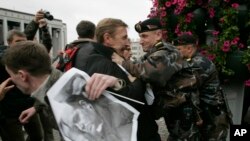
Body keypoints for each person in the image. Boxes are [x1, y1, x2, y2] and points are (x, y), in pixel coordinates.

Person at [2, 41, 129, 140]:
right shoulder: (53, 87)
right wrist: (36, 107)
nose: (11, 80)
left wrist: (117, 84)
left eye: (11, 76)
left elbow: (125, 111)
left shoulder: (75, 89)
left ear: (22, 75)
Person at [73, 18, 161, 141]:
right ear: (108, 38)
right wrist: (135, 80)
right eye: (124, 38)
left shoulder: (109, 57)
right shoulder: (103, 62)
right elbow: (133, 100)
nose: (127, 43)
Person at [173, 33, 231, 141]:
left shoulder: (199, 63)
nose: (176, 54)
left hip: (214, 117)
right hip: (207, 114)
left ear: (189, 48)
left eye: (179, 49)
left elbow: (182, 85)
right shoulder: (193, 61)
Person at [0, 30, 43, 141]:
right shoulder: (2, 59)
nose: (21, 45)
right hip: (9, 113)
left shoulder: (30, 60)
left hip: (28, 107)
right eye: (18, 41)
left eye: (24, 42)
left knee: (38, 137)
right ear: (9, 43)